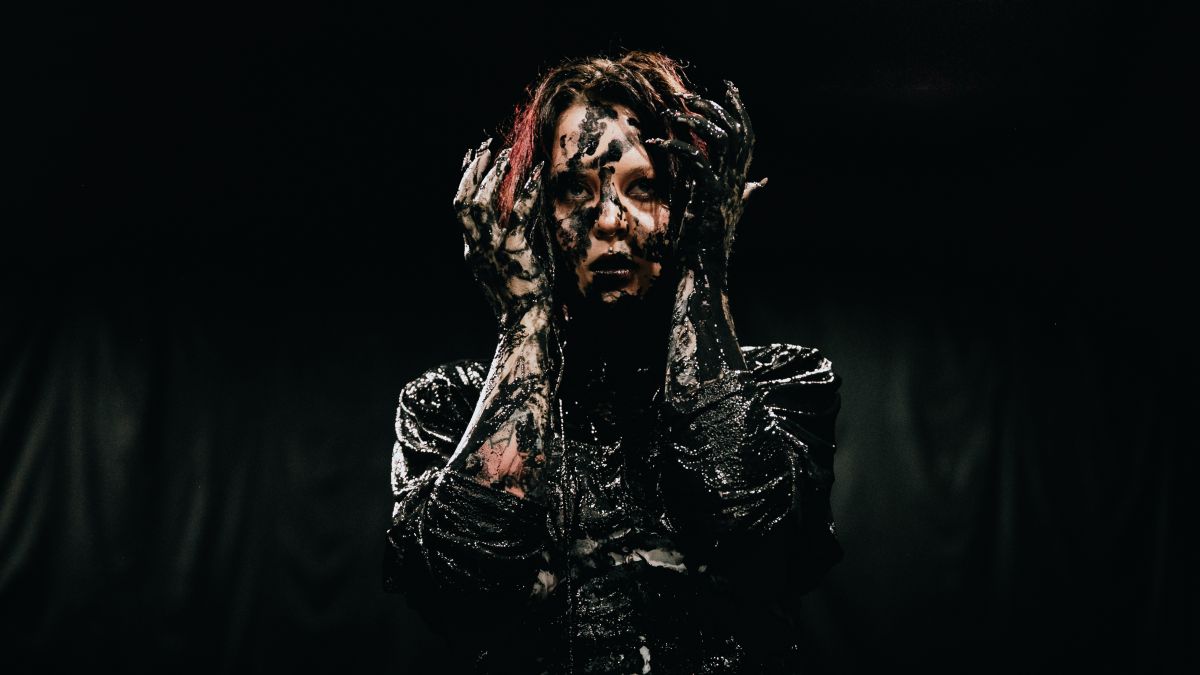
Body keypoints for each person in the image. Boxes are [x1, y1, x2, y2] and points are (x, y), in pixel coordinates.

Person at [383, 50, 843, 674]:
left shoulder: (783, 387)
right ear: (530, 214)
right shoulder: (449, 408)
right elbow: (462, 587)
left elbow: (762, 540)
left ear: (690, 203)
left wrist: (702, 273)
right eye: (574, 189)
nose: (609, 220)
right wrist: (525, 317)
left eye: (645, 187)